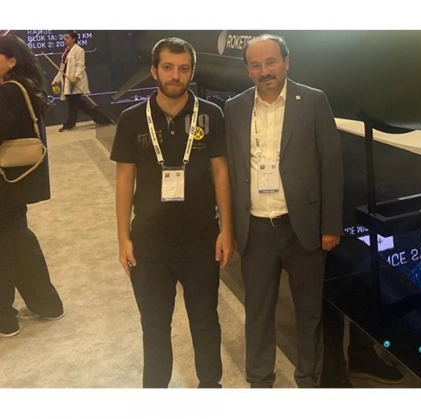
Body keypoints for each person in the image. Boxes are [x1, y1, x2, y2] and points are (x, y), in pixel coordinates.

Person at [110, 37, 234, 388]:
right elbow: (124, 180)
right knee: (154, 327)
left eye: (183, 68)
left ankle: (210, 388)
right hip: (149, 244)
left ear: (192, 72)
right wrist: (123, 238)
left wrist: (226, 229)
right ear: (154, 71)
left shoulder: (211, 114)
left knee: (206, 322)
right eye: (167, 67)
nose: (175, 75)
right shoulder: (132, 119)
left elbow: (221, 173)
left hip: (201, 240)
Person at [224, 34, 344, 388]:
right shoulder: (235, 108)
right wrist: (229, 227)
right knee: (258, 312)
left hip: (302, 226)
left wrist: (330, 225)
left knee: (309, 313)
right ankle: (260, 381)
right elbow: (230, 170)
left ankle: (308, 380)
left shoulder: (313, 101)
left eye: (271, 62)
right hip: (256, 228)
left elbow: (331, 165)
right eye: (256, 65)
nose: (265, 71)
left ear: (286, 62)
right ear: (248, 70)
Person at [0, 35, 64, 338]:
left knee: (6, 246)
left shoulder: (8, 91)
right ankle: (47, 304)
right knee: (19, 241)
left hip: (5, 182)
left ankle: (4, 318)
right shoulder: (24, 86)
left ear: (11, 60)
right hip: (16, 182)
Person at [51, 31, 109, 132]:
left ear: (74, 39)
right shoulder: (66, 51)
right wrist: (56, 80)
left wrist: (75, 77)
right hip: (67, 80)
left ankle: (70, 124)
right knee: (79, 104)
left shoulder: (79, 50)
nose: (65, 39)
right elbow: (62, 68)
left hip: (75, 81)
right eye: (65, 37)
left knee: (73, 104)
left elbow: (80, 65)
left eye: (67, 37)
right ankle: (101, 118)